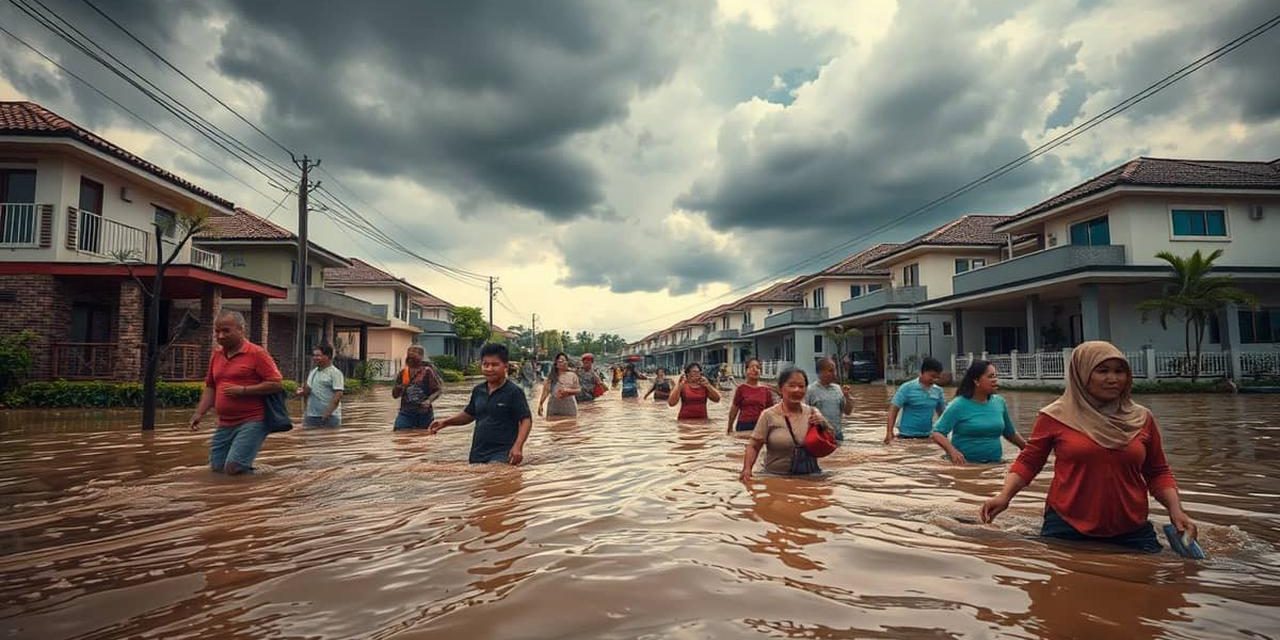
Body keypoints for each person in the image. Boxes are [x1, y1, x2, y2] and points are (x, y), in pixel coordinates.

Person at [980, 341, 1198, 553]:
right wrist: (1004, 496)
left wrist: (1176, 510)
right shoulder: (1055, 416)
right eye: (1102, 371)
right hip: (1067, 526)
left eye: (1119, 371)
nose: (1113, 379)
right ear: (1082, 374)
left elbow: (1157, 471)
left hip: (1131, 528)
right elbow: (1029, 462)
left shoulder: (1141, 419)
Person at [189, 311, 284, 474]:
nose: (220, 336)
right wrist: (199, 413)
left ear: (241, 330)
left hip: (253, 420)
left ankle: (265, 487)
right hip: (225, 422)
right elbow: (211, 386)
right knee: (217, 469)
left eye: (226, 331)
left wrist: (244, 390)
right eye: (217, 331)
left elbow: (276, 384)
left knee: (234, 468)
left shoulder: (257, 353)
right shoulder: (216, 355)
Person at [429, 343, 533, 464]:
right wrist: (445, 422)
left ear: (505, 366)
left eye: (494, 365)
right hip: (478, 452)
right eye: (485, 364)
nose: (489, 369)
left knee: (495, 476)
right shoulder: (478, 390)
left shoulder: (514, 392)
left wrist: (518, 446)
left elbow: (526, 420)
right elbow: (469, 414)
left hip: (503, 452)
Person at [740, 366, 834, 481]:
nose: (797, 390)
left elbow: (831, 441)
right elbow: (754, 445)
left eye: (801, 386)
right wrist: (747, 469)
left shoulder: (813, 413)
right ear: (780, 389)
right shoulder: (769, 415)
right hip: (774, 477)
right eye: (792, 385)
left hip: (809, 477)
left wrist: (824, 423)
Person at [930, 360, 1027, 464]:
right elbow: (937, 433)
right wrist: (953, 452)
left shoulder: (999, 402)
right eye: (990, 377)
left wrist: (1028, 449)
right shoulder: (958, 404)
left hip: (994, 466)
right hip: (966, 467)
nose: (995, 380)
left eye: (995, 376)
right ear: (976, 381)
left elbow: (1010, 433)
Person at [885, 357, 947, 443]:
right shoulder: (907, 388)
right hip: (906, 437)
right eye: (932, 376)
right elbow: (893, 410)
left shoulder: (938, 391)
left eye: (937, 377)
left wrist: (944, 433)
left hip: (928, 436)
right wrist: (889, 432)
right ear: (922, 372)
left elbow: (943, 414)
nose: (934, 380)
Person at [391, 345, 443, 430]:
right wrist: (400, 387)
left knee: (424, 437)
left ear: (421, 356)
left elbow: (438, 390)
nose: (410, 356)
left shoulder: (427, 371)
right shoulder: (403, 372)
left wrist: (429, 401)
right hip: (406, 412)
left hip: (424, 413)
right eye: (409, 354)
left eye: (414, 354)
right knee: (399, 433)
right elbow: (394, 395)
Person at [806, 358, 855, 441]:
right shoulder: (810, 391)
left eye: (835, 370)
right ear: (820, 372)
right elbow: (803, 414)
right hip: (819, 435)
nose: (834, 373)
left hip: (837, 435)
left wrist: (847, 397)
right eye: (830, 371)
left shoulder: (838, 389)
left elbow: (848, 412)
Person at [299, 344, 344, 427]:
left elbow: (338, 395)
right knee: (308, 439)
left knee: (328, 439)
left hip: (330, 417)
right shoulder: (313, 372)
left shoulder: (335, 373)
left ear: (328, 356)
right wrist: (302, 391)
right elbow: (307, 391)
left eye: (318, 355)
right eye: (314, 355)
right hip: (311, 416)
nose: (314, 358)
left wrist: (326, 414)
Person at [727, 357, 774, 434]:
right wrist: (729, 427)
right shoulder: (741, 389)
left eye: (758, 367)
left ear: (760, 372)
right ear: (746, 371)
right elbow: (734, 409)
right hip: (744, 425)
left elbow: (771, 411)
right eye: (751, 367)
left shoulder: (766, 390)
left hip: (760, 425)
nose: (755, 369)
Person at [538, 352, 580, 417]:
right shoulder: (551, 377)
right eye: (560, 361)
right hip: (553, 407)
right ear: (556, 364)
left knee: (571, 425)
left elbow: (578, 390)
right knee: (552, 425)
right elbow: (545, 391)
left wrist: (567, 391)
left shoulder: (572, 375)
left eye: (564, 361)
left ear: (567, 362)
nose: (562, 363)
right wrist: (540, 404)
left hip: (569, 407)